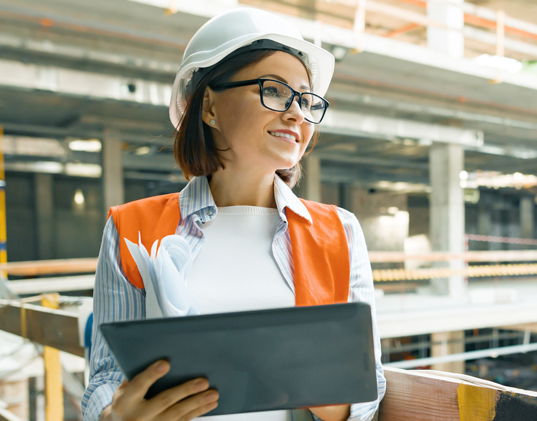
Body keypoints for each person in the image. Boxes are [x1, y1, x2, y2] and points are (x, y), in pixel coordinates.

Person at [81, 7, 386, 421]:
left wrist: (329, 394)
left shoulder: (339, 232)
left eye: (306, 98)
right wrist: (113, 417)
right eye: (274, 90)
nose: (297, 112)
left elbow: (370, 389)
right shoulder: (131, 229)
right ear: (208, 106)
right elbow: (104, 378)